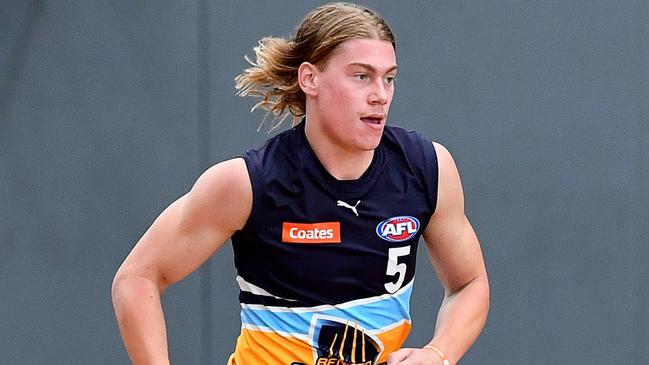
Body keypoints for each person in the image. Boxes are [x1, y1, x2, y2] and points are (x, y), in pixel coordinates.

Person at [111, 2, 489, 365]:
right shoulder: (248, 182)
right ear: (310, 78)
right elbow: (137, 278)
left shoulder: (426, 166)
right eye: (361, 76)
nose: (380, 95)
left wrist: (439, 353)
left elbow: (469, 283)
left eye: (388, 78)